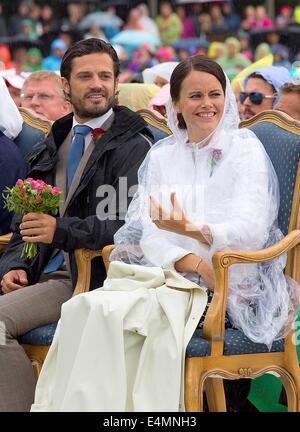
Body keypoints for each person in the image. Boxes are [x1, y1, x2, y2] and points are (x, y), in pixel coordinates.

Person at [30, 56, 299, 412]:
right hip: (170, 275)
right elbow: (147, 232)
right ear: (176, 104)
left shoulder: (245, 149)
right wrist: (189, 260)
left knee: (119, 318)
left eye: (215, 94)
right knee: (86, 308)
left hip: (232, 283)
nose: (207, 105)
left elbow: (250, 228)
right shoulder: (162, 155)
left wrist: (191, 232)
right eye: (195, 96)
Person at [0, 37, 153, 412]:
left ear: (117, 82)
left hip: (87, 273)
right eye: (85, 76)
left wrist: (62, 231)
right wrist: (15, 265)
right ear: (66, 85)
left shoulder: (134, 145)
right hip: (40, 270)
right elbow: (26, 222)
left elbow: (127, 227)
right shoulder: (55, 139)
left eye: (105, 75)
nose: (97, 83)